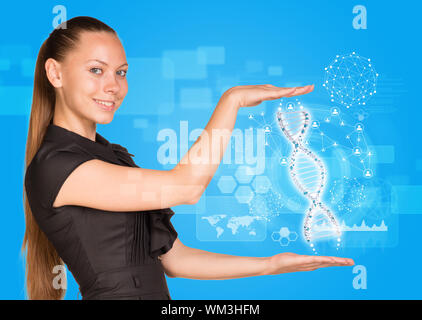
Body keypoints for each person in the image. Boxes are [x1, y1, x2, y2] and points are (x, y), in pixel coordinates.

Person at [22, 16, 354, 300]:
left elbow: (175, 261)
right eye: (97, 70)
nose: (113, 86)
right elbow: (187, 187)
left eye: (121, 73)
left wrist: (270, 265)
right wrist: (232, 101)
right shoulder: (56, 166)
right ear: (56, 74)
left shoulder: (111, 158)